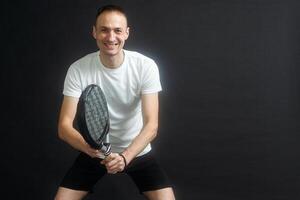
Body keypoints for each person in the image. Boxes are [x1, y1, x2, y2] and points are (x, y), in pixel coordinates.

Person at [54, 4, 175, 200]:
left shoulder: (145, 66)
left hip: (136, 151)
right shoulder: (78, 69)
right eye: (104, 30)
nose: (111, 37)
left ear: (127, 33)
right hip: (93, 151)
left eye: (117, 30)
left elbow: (152, 125)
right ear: (94, 32)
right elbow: (64, 126)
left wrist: (125, 157)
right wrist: (91, 150)